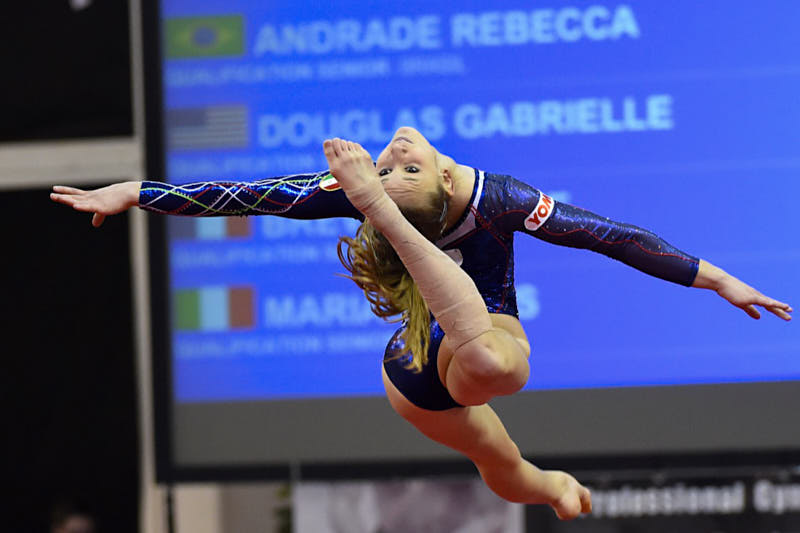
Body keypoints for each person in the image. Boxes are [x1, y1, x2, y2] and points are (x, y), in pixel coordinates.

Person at [51, 127, 792, 520]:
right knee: (497, 372)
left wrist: (717, 279)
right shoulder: (404, 192)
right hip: (417, 365)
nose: (394, 157)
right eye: (395, 172)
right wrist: (135, 191)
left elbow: (611, 236)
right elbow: (246, 196)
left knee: (505, 451)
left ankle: (552, 487)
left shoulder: (481, 197)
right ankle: (540, 475)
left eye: (397, 170)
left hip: (468, 342)